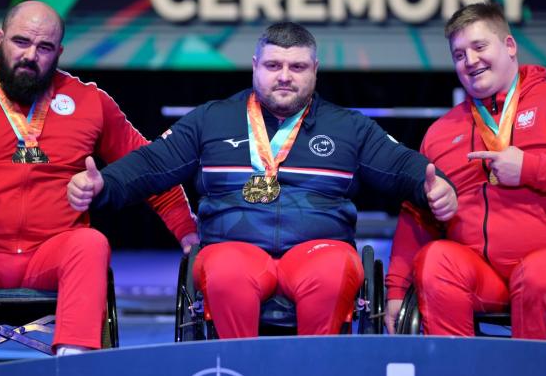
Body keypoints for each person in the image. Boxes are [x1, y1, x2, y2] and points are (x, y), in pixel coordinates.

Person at [68, 21, 458, 338]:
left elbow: (400, 164)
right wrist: (104, 185)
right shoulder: (212, 119)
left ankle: (316, 369)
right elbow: (151, 164)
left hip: (319, 250)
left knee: (334, 269)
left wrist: (433, 185)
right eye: (273, 66)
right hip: (233, 249)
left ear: (315, 71)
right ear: (255, 66)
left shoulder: (348, 127)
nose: (284, 77)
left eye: (297, 67)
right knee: (224, 271)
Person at [0, 0, 198, 374]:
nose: (30, 55)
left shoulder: (90, 102)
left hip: (50, 254)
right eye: (21, 42)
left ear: (59, 52)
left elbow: (151, 169)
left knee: (91, 242)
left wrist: (187, 232)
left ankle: (71, 367)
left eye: (44, 47)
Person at [384, 2, 546, 339]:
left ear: (510, 46)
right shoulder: (441, 132)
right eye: (459, 54)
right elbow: (417, 215)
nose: (470, 61)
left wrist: (531, 168)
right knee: (435, 259)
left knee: (539, 273)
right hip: (483, 273)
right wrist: (397, 290)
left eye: (479, 46)